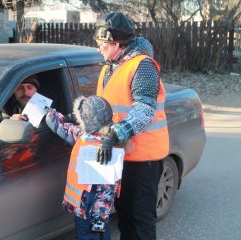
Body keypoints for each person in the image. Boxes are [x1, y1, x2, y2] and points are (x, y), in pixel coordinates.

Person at [93, 12, 169, 240]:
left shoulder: (142, 66)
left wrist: (115, 134)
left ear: (115, 43)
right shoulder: (111, 66)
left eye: (102, 45)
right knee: (125, 216)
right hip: (120, 156)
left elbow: (144, 109)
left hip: (143, 159)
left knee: (140, 220)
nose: (99, 49)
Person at [45, 96, 122, 240]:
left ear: (84, 121)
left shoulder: (88, 142)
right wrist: (100, 218)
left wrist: (48, 112)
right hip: (97, 211)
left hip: (87, 210)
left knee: (87, 236)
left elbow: (58, 125)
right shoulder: (108, 143)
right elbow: (107, 190)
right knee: (101, 235)